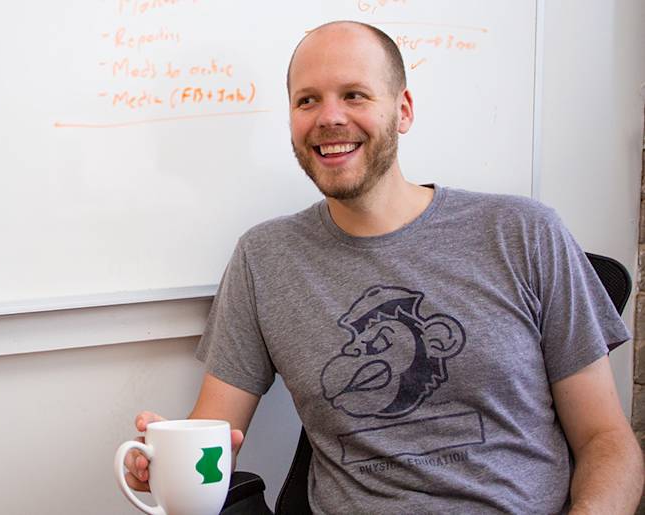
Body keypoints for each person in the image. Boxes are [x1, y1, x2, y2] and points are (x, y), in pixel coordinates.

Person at [123, 20, 644, 514]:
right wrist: (164, 463)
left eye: (354, 94)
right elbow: (214, 436)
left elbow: (607, 441)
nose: (329, 117)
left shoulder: (524, 232)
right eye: (308, 100)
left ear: (404, 109)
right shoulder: (264, 258)